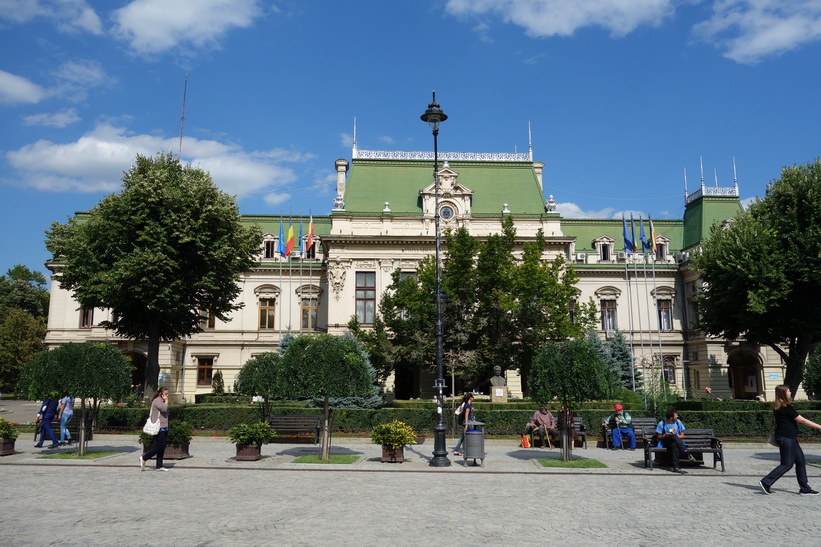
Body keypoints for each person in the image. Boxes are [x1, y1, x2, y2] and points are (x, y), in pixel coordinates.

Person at [759, 385, 821, 495]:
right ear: (783, 393)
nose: (790, 392)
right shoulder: (786, 407)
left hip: (789, 438)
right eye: (788, 391)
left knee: (801, 461)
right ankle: (766, 482)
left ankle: (805, 489)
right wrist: (819, 426)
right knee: (787, 464)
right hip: (787, 438)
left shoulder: (778, 406)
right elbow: (802, 420)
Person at [656, 408, 696, 473]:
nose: (677, 416)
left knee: (674, 444)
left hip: (675, 442)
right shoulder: (662, 423)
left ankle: (676, 467)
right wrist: (665, 435)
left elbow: (682, 435)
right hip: (666, 441)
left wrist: (674, 437)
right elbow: (659, 436)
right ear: (671, 417)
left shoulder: (678, 422)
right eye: (676, 415)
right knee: (673, 437)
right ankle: (686, 453)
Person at [140, 387, 170, 471]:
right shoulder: (157, 401)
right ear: (161, 394)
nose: (167, 396)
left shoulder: (163, 401)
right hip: (159, 426)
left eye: (168, 394)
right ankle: (144, 458)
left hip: (164, 426)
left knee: (160, 446)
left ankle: (159, 465)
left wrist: (166, 401)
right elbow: (164, 409)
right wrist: (166, 401)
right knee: (161, 446)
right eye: (166, 394)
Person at [453, 392, 474, 456]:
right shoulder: (467, 405)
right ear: (470, 398)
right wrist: (466, 424)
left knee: (464, 436)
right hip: (469, 423)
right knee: (471, 436)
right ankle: (476, 450)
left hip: (469, 422)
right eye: (473, 397)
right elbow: (466, 415)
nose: (473, 398)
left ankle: (458, 449)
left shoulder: (467, 405)